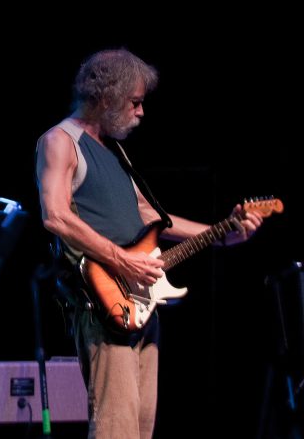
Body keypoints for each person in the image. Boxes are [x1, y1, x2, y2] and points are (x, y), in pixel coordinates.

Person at [35, 48, 266, 438]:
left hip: (141, 302)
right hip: (104, 302)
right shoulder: (60, 140)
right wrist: (121, 260)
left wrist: (223, 231)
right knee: (116, 429)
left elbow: (154, 218)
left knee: (140, 428)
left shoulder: (114, 150)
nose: (141, 113)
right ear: (107, 96)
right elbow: (55, 215)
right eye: (135, 102)